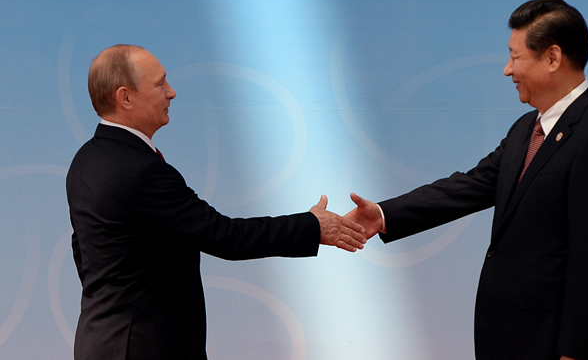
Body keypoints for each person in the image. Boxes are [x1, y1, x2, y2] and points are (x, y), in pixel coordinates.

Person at [345, 0, 588, 360]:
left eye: (516, 57)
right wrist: (384, 215)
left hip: (557, 346)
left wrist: (572, 352)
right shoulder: (526, 130)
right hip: (509, 338)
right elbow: (469, 186)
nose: (506, 70)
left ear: (552, 58)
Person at [66, 44, 366, 360]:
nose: (172, 93)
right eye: (159, 84)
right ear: (125, 97)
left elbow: (84, 253)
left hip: (100, 343)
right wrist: (312, 227)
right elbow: (226, 237)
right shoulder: (141, 172)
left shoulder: (85, 161)